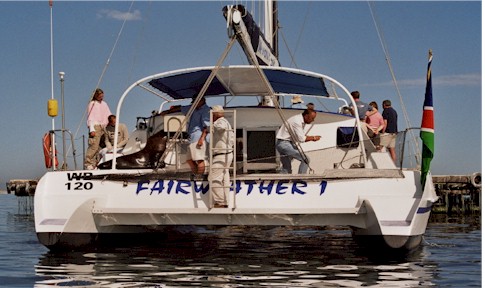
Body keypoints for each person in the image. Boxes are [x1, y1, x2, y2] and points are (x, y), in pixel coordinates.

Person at [160, 95, 210, 177]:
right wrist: (167, 112)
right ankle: (195, 174)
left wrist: (201, 139)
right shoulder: (193, 108)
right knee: (189, 159)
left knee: (199, 159)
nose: (195, 103)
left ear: (202, 101)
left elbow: (206, 127)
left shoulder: (206, 110)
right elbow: (180, 108)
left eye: (196, 102)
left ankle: (200, 176)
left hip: (199, 137)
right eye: (194, 102)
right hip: (192, 137)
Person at [276, 109, 321, 174]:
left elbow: (299, 137)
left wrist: (309, 138)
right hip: (285, 144)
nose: (312, 120)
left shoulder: (298, 120)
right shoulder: (297, 121)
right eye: (312, 118)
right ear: (306, 116)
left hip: (282, 143)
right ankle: (301, 178)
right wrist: (314, 138)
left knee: (287, 168)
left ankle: (283, 181)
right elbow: (301, 138)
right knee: (306, 159)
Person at [209, 105, 234, 208]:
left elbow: (221, 127)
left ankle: (220, 201)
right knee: (224, 179)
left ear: (215, 114)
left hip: (221, 155)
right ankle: (225, 200)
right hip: (227, 154)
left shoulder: (221, 122)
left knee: (213, 178)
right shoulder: (226, 122)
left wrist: (212, 125)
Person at [85, 88, 112, 170]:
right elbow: (90, 117)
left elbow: (109, 114)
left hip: (104, 126)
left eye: (102, 96)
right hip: (95, 126)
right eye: (100, 96)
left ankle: (98, 163)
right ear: (96, 96)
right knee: (94, 146)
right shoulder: (92, 104)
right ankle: (88, 163)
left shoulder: (104, 104)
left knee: (102, 146)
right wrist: (91, 129)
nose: (101, 98)